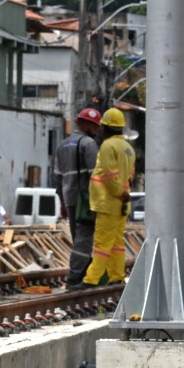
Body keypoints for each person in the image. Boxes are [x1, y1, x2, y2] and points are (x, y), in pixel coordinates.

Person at [84, 107, 137, 286]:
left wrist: (118, 193)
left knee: (101, 244)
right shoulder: (128, 148)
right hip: (121, 204)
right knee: (116, 243)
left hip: (108, 203)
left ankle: (91, 279)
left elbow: (108, 174)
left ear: (106, 127)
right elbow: (130, 175)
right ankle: (117, 276)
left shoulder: (108, 146)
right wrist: (124, 194)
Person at [56, 107, 103, 289]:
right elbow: (95, 175)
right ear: (89, 125)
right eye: (96, 127)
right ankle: (75, 277)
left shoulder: (63, 145)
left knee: (79, 238)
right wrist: (98, 201)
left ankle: (85, 273)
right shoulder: (88, 144)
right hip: (86, 199)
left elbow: (57, 177)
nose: (98, 130)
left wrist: (61, 201)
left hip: (69, 198)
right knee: (85, 238)